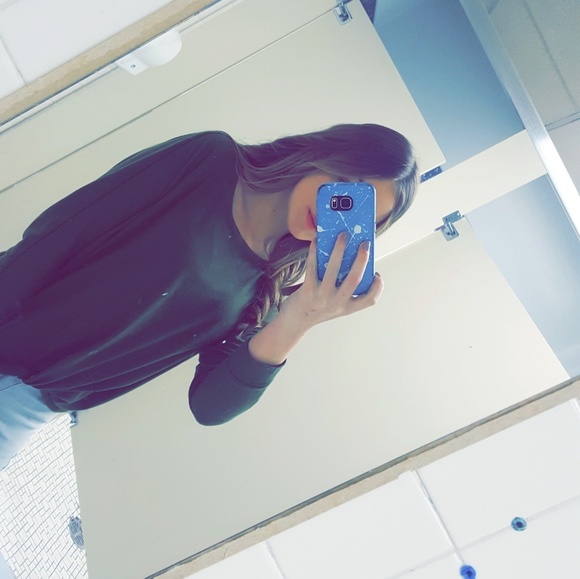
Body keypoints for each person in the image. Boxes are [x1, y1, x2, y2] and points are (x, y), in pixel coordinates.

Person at [0, 123, 419, 470]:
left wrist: (299, 320)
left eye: (354, 212)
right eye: (345, 186)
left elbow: (209, 408)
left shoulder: (267, 288)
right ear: (325, 153)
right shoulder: (210, 159)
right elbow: (62, 231)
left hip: (28, 403)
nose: (333, 209)